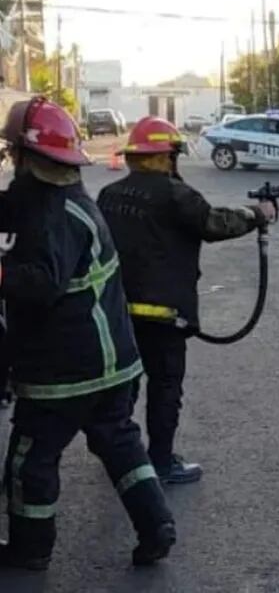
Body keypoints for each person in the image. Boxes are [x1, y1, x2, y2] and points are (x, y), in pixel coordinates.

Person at [0, 97, 175, 570]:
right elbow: (9, 208)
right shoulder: (57, 199)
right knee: (121, 445)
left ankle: (29, 550)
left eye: (12, 152)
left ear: (26, 155)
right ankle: (156, 524)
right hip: (113, 365)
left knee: (30, 461)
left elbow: (39, 282)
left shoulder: (51, 216)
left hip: (65, 371)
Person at [97, 117, 276, 485]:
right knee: (164, 387)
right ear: (167, 156)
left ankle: (121, 457)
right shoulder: (175, 194)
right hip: (164, 314)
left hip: (117, 312)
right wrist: (258, 215)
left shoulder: (109, 195)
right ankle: (161, 463)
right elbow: (212, 223)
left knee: (124, 385)